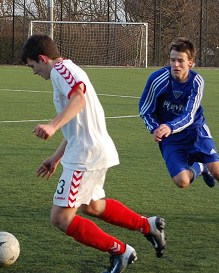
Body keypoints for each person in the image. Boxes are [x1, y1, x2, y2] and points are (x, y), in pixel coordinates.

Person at [21, 34, 166, 273]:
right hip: (91, 150)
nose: (34, 72)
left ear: (42, 58)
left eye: (32, 66)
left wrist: (52, 125)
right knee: (93, 206)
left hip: (85, 156)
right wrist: (55, 158)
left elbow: (79, 100)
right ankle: (148, 225)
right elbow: (76, 125)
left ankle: (121, 251)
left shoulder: (60, 71)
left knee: (61, 217)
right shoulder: (64, 71)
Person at [139, 37, 219, 225]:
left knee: (218, 172)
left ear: (190, 62)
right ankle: (200, 167)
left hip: (195, 131)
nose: (176, 64)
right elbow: (145, 108)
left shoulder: (196, 81)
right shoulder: (157, 79)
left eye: (181, 60)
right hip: (170, 138)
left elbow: (189, 115)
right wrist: (154, 128)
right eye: (172, 60)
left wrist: (169, 126)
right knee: (182, 181)